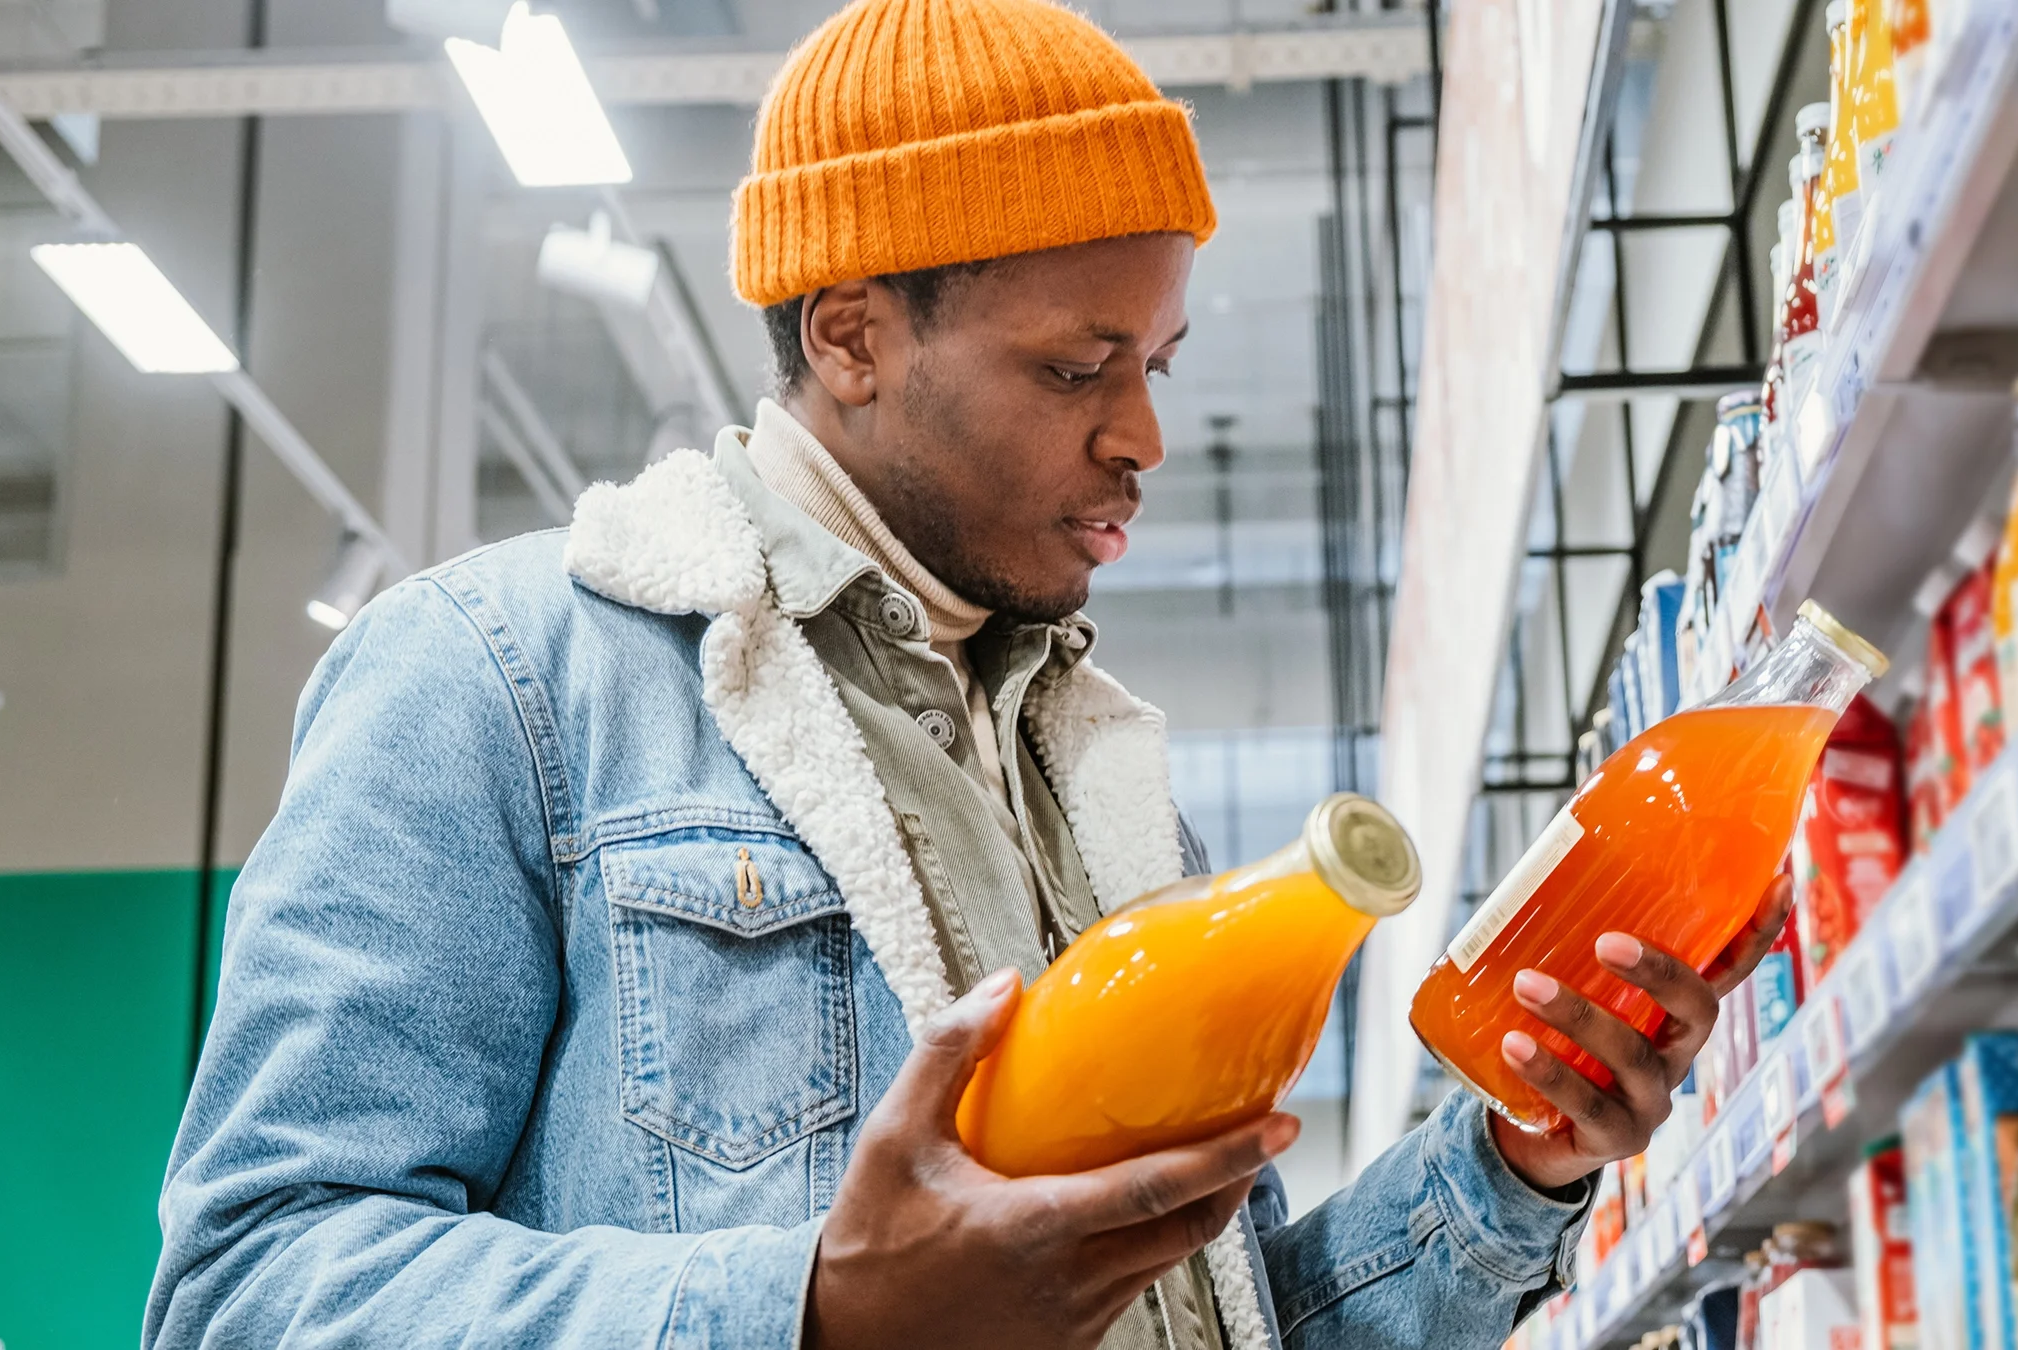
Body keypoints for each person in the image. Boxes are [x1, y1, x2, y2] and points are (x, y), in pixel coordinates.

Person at [144, 0, 1790, 1345]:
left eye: (1154, 363)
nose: (1142, 434)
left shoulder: (1090, 777)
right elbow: (253, 1285)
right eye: (1079, 364)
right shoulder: (497, 678)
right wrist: (811, 1308)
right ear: (853, 337)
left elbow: (1200, 1319)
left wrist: (1513, 1161)